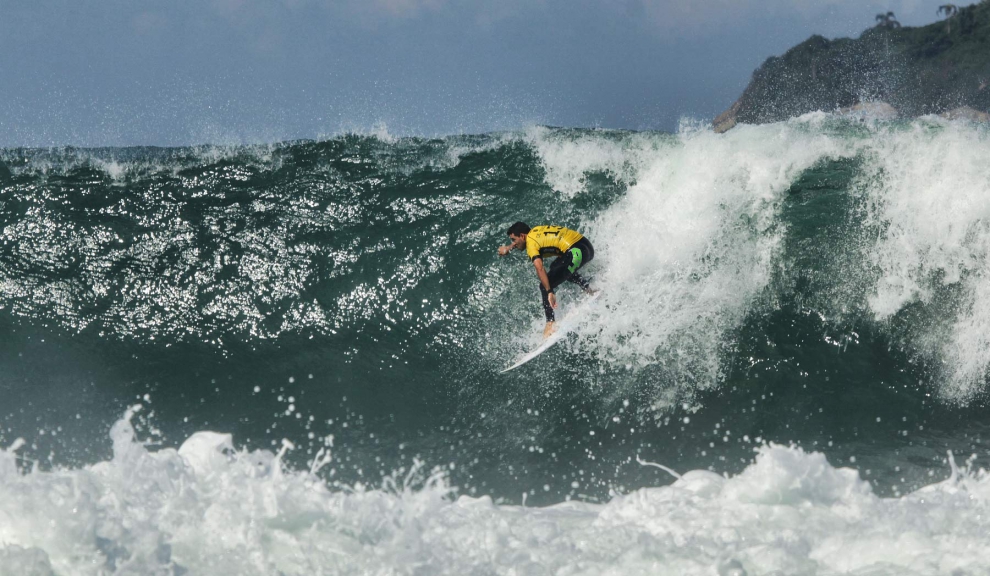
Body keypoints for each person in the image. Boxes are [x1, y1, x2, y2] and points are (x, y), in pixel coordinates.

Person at [497, 222, 595, 337]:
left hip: (577, 253)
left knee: (544, 284)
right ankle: (588, 289)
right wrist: (509, 248)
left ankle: (550, 323)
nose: (513, 243)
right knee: (556, 267)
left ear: (522, 236)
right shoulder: (536, 231)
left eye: (513, 240)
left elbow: (539, 267)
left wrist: (549, 291)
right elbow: (521, 241)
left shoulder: (531, 244)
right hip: (586, 247)